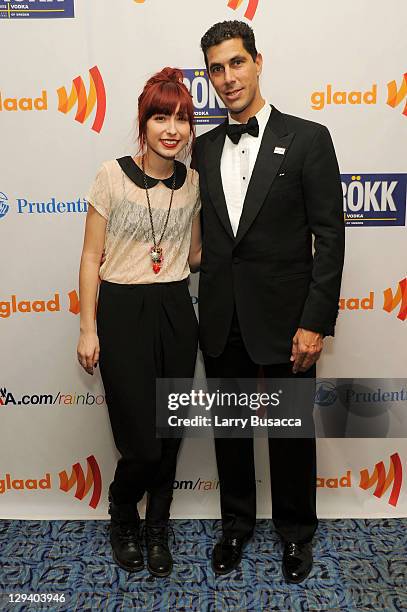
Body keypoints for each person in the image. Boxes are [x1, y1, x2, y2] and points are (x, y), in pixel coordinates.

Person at [192, 21, 345, 583]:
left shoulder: (308, 138)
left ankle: (296, 533)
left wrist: (314, 322)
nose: (227, 78)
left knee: (288, 433)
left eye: (236, 63)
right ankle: (235, 525)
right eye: (216, 68)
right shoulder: (203, 148)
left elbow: (330, 238)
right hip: (222, 315)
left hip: (287, 321)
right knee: (230, 430)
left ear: (259, 62)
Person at [77, 67, 201, 577]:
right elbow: (90, 257)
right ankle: (123, 511)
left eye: (181, 119)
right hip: (123, 311)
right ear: (143, 122)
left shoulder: (192, 182)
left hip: (175, 308)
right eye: (160, 117)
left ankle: (158, 529)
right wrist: (88, 327)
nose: (171, 128)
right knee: (142, 442)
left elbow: (192, 255)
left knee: (168, 435)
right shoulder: (111, 174)